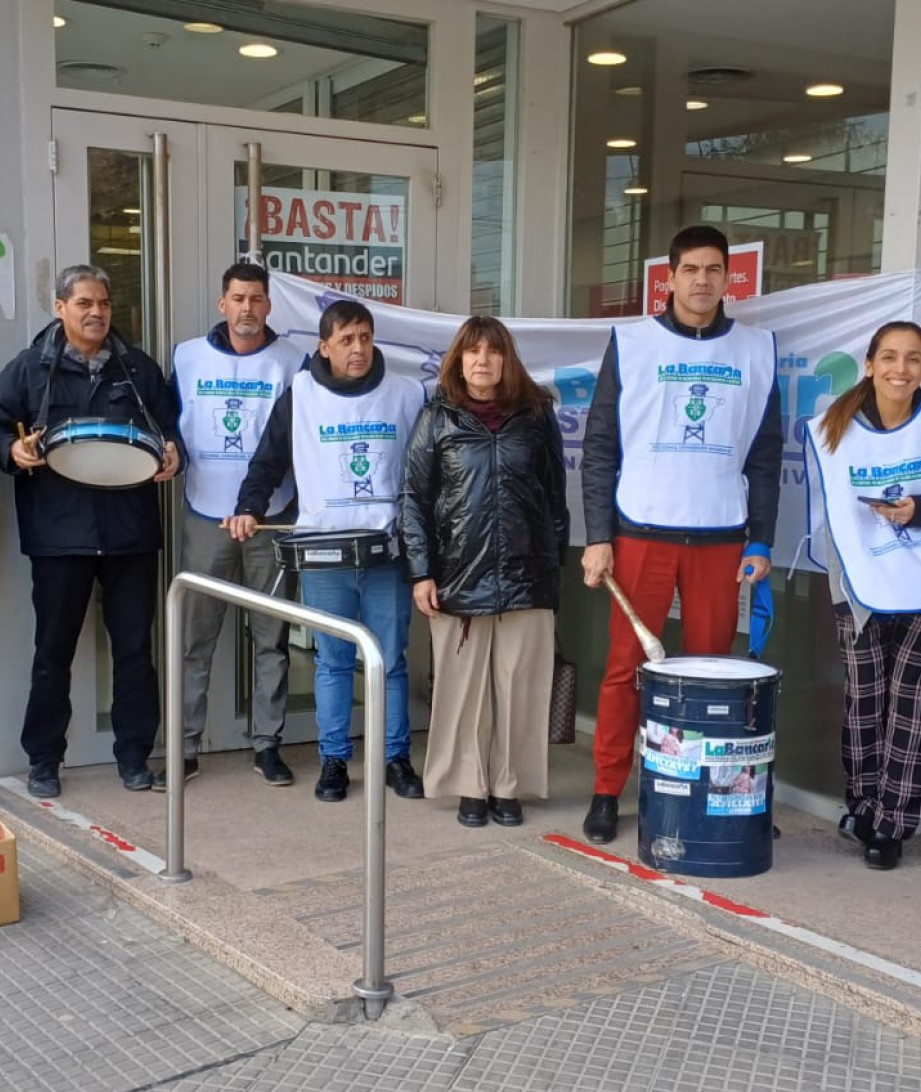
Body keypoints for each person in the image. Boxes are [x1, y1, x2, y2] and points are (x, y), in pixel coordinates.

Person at [578, 224, 782, 845]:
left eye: (713, 269)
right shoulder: (632, 342)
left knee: (711, 676)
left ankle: (707, 794)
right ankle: (608, 790)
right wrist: (598, 535)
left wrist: (762, 539)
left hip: (721, 539)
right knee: (626, 669)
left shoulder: (757, 349)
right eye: (690, 269)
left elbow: (765, 456)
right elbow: (600, 446)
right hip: (641, 533)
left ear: (728, 278)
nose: (702, 280)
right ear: (669, 278)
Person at [0, 265, 183, 799]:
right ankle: (44, 760)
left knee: (135, 652)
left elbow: (170, 429)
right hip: (59, 534)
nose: (97, 312)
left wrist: (174, 454)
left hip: (130, 532)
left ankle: (134, 756)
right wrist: (13, 449)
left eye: (104, 303)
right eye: (84, 303)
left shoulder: (138, 369)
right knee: (53, 652)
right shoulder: (28, 369)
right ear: (60, 308)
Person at [801, 322, 921, 870]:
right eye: (889, 357)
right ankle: (863, 806)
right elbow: (833, 519)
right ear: (870, 364)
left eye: (912, 359)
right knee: (864, 708)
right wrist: (841, 592)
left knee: (916, 711)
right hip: (862, 590)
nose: (900, 369)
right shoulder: (832, 427)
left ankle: (892, 824)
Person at [228, 299, 424, 803]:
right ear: (324, 346)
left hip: (386, 555)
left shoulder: (406, 394)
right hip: (324, 555)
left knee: (390, 661)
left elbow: (428, 471)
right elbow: (267, 461)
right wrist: (249, 507)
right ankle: (334, 760)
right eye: (346, 340)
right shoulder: (301, 395)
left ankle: (395, 758)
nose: (358, 348)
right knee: (333, 662)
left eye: (365, 337)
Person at [400, 316, 568, 828]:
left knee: (520, 688)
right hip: (458, 574)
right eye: (473, 351)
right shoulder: (437, 418)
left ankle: (508, 785)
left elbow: (555, 499)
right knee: (464, 690)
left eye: (493, 352)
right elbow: (413, 498)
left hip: (526, 576)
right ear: (458, 359)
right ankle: (471, 785)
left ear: (506, 359)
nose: (482, 361)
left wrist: (551, 570)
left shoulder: (536, 415)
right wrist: (422, 571)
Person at [171, 262, 301, 788]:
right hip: (206, 514)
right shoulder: (185, 357)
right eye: (238, 298)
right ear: (222, 303)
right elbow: (168, 428)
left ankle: (267, 744)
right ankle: (184, 747)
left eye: (256, 299)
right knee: (193, 639)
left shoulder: (295, 361)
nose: (247, 308)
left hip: (272, 519)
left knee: (272, 638)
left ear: (269, 305)